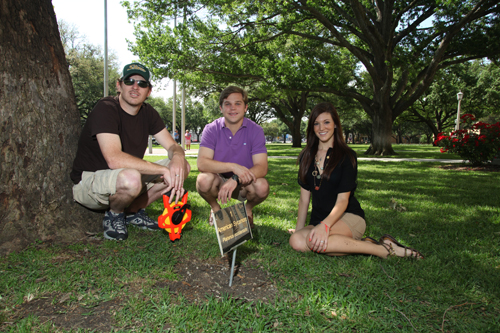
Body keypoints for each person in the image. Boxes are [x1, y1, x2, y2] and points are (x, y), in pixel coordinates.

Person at [70, 62, 190, 241]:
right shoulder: (106, 108)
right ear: (119, 85)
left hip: (124, 179)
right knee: (132, 178)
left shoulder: (148, 113)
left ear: (148, 91)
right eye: (130, 81)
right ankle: (115, 215)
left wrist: (179, 157)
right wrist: (163, 170)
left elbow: (173, 146)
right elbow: (114, 159)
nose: (135, 87)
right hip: (89, 183)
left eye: (142, 84)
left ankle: (132, 212)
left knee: (183, 167)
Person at [288, 102, 423, 259]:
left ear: (336, 125)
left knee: (313, 241)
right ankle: (368, 244)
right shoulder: (307, 156)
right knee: (296, 241)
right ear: (312, 127)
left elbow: (343, 200)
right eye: (316, 123)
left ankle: (384, 250)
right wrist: (299, 230)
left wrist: (325, 226)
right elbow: (304, 200)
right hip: (318, 220)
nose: (321, 128)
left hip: (348, 216)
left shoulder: (347, 156)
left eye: (326, 122)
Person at [196, 86, 269, 228]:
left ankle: (247, 211)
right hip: (219, 181)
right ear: (221, 108)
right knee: (203, 180)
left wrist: (236, 177)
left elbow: (262, 166)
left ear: (245, 107)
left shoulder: (256, 130)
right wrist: (233, 167)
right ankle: (215, 209)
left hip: (244, 182)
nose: (232, 108)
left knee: (262, 186)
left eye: (238, 103)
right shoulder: (211, 129)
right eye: (227, 104)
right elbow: (202, 163)